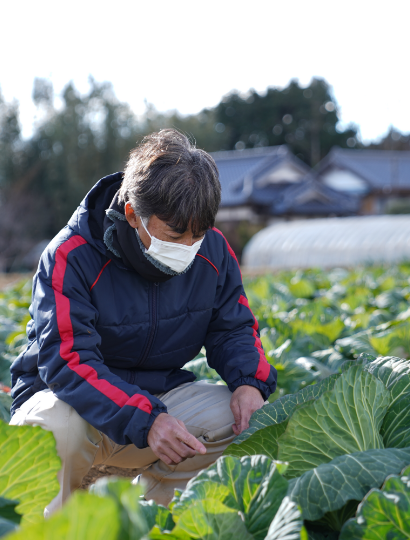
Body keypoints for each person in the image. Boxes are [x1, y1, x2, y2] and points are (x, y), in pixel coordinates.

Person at [9, 129, 277, 514]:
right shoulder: (72, 254)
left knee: (247, 423)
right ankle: (58, 521)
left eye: (198, 234)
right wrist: (144, 419)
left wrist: (249, 383)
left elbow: (232, 327)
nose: (188, 246)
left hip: (156, 403)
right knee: (53, 434)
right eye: (175, 234)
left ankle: (154, 518)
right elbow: (67, 362)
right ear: (134, 215)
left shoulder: (213, 251)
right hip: (75, 406)